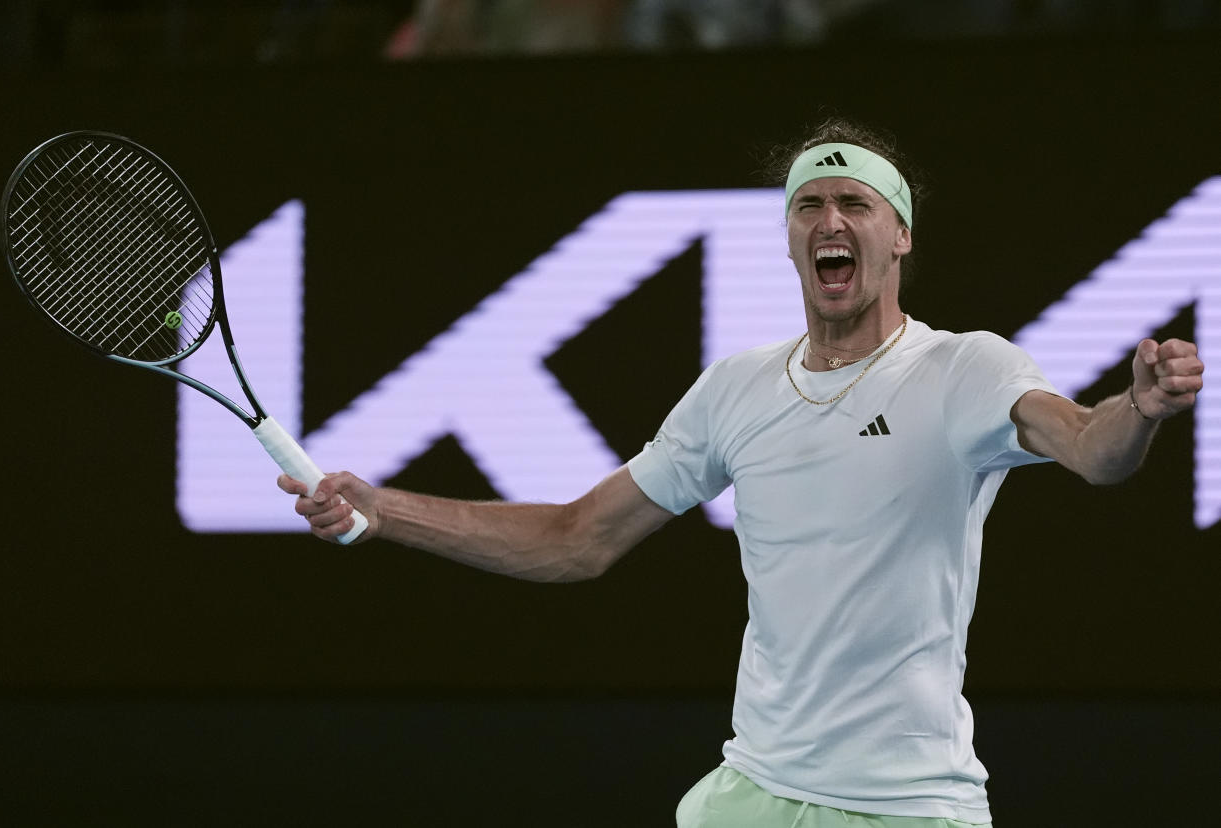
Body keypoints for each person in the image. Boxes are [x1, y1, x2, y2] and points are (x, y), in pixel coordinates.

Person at [277, 117, 1204, 827]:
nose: (829, 221)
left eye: (855, 204)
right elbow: (578, 539)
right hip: (757, 791)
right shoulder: (736, 390)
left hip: (910, 804)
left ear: (899, 237)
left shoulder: (964, 369)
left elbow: (1090, 447)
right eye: (809, 205)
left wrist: (1143, 411)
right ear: (791, 237)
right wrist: (384, 509)